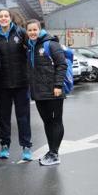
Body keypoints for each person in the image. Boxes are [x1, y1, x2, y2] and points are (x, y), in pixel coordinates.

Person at [0, 9, 32, 162]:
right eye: (1, 16)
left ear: (11, 18)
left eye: (6, 16)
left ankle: (26, 146)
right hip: (2, 84)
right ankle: (4, 145)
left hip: (21, 83)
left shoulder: (20, 32)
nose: (3, 18)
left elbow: (34, 41)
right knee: (4, 118)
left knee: (23, 117)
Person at [25, 19, 67, 166]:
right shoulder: (30, 47)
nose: (32, 32)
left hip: (53, 91)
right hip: (39, 92)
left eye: (34, 29)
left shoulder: (50, 44)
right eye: (29, 30)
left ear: (40, 29)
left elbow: (62, 65)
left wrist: (58, 85)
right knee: (47, 122)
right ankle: (51, 151)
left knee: (56, 121)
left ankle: (55, 153)